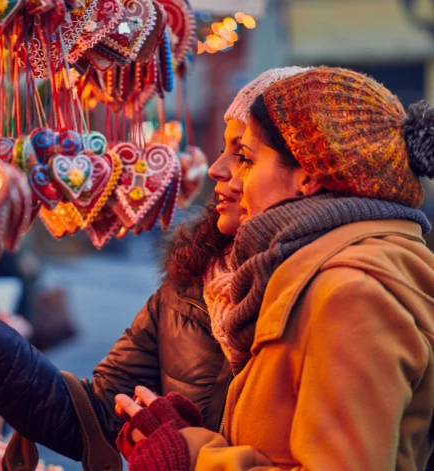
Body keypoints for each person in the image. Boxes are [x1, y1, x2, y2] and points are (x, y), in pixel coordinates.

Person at [0, 67, 309, 461]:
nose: (217, 168)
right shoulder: (193, 283)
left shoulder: (339, 290)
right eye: (227, 149)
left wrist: (184, 454)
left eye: (244, 155)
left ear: (309, 173)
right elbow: (93, 418)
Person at [115, 66, 434, 470]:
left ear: (309, 176)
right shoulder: (315, 271)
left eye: (247, 158)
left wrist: (192, 456)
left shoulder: (351, 292)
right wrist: (191, 438)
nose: (229, 176)